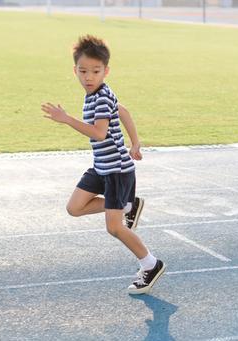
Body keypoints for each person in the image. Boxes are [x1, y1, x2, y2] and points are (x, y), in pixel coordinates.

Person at [41, 35, 165, 295]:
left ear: (105, 71)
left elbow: (98, 132)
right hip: (101, 166)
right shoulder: (97, 93)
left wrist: (66, 119)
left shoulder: (101, 96)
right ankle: (128, 204)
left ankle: (150, 264)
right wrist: (136, 143)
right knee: (74, 208)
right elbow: (125, 112)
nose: (89, 77)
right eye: (83, 71)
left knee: (115, 227)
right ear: (75, 70)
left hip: (117, 171)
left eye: (96, 71)